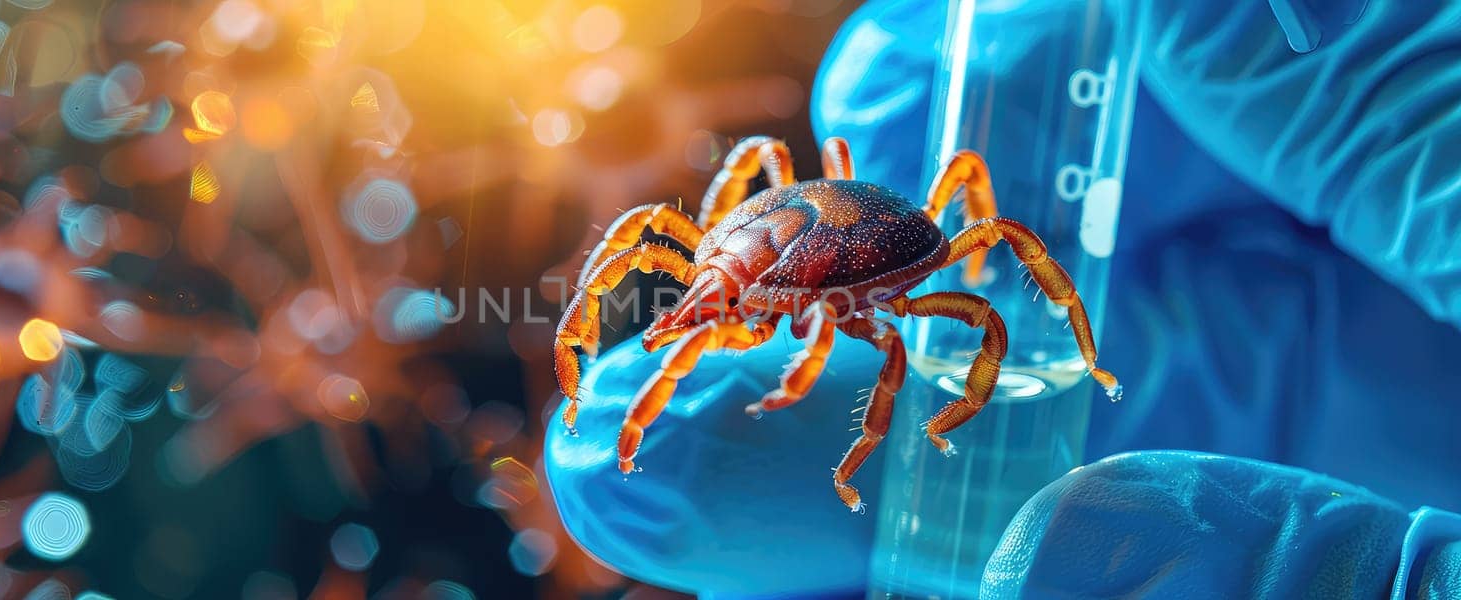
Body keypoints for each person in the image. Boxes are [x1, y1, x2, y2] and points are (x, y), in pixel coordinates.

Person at [545, 1, 1461, 597]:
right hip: (787, 240)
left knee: (933, 326)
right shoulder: (732, 233)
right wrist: (727, 269)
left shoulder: (842, 300)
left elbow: (891, 333)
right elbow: (723, 211)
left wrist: (901, 419)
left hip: (874, 253)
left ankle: (949, 415)